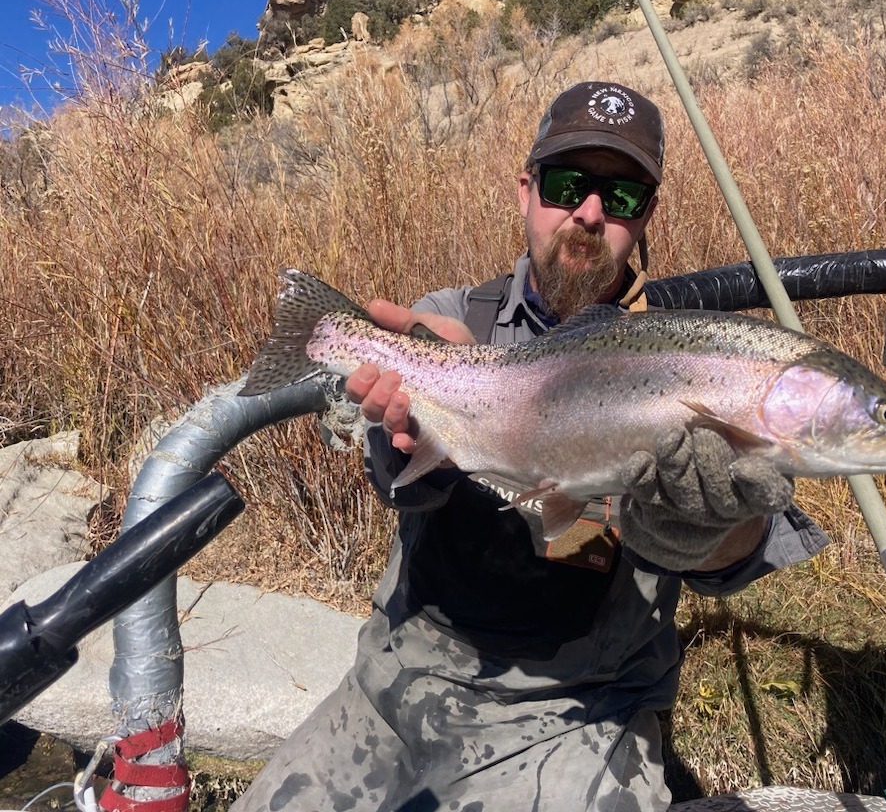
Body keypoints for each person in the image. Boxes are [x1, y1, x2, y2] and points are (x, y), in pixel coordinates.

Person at [232, 81, 829, 812]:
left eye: (623, 196)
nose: (589, 213)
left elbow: (738, 556)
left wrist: (714, 526)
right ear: (526, 191)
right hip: (398, 680)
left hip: (583, 709)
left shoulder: (691, 358)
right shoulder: (452, 325)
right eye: (568, 184)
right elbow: (394, 477)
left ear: (647, 217)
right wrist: (412, 428)